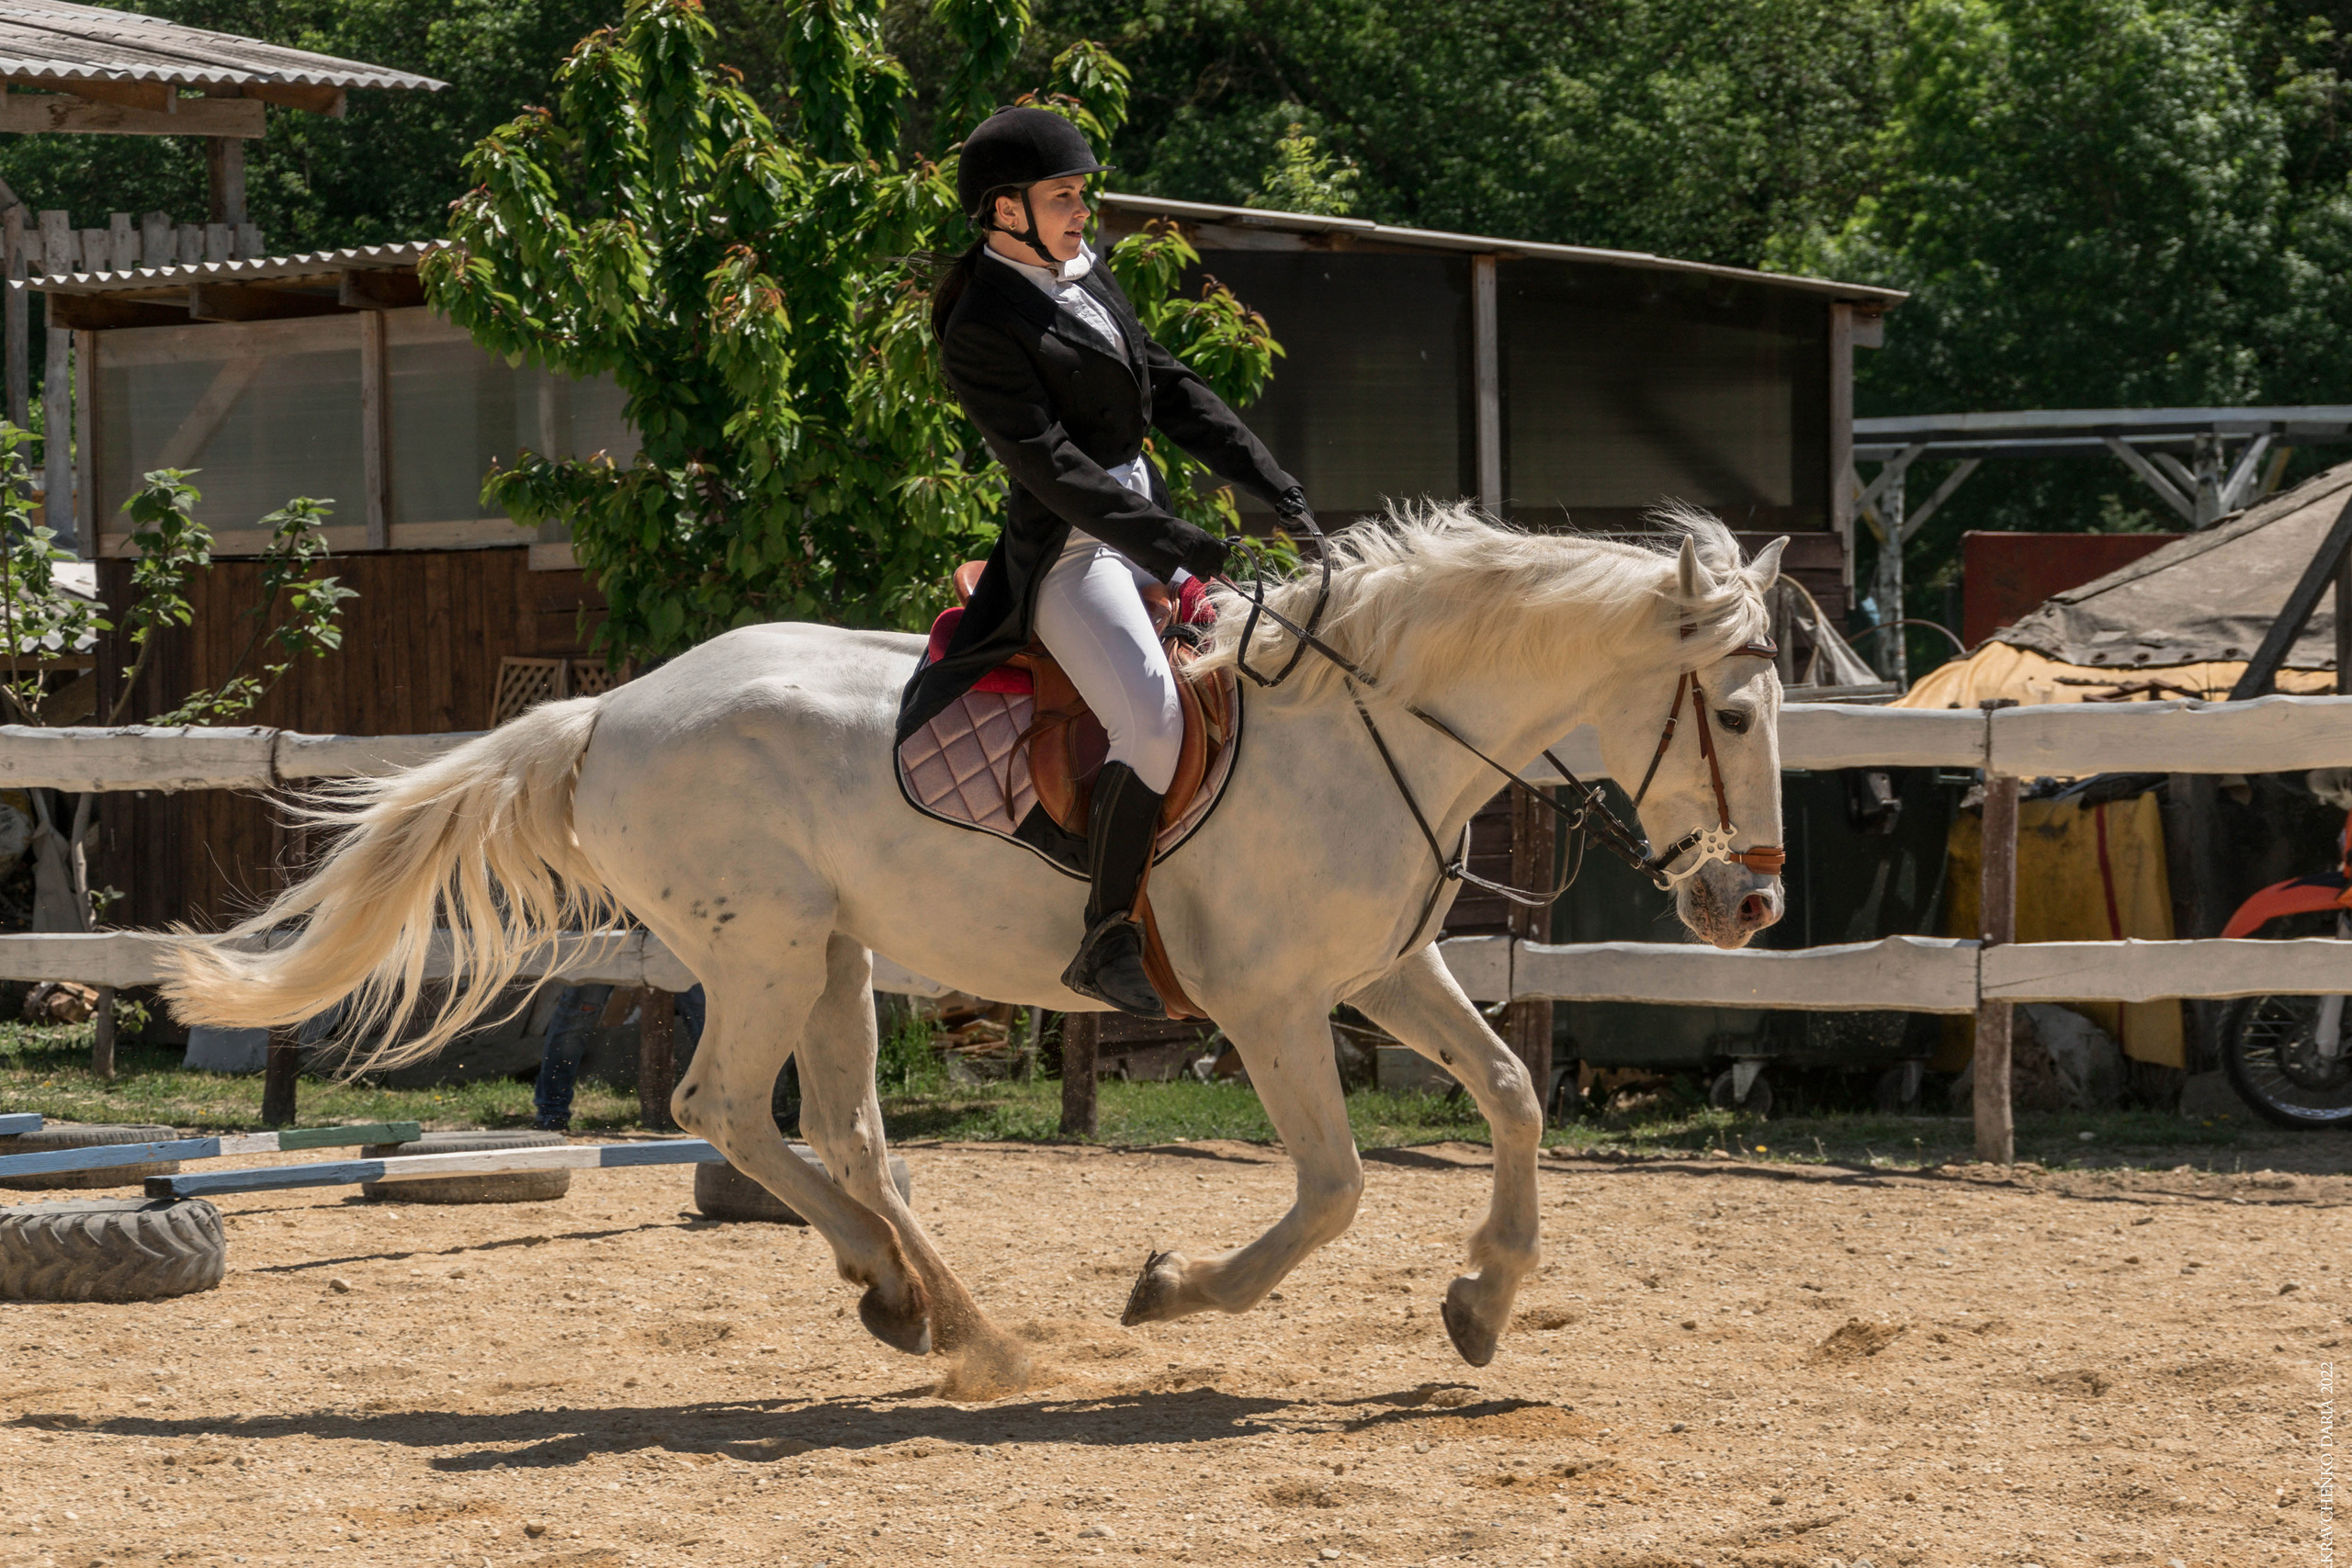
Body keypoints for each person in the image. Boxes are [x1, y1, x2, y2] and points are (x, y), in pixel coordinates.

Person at [899, 106, 1314, 1020]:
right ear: (1005, 209)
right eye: (1063, 196)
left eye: (1082, 193)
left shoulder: (1085, 272)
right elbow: (1052, 468)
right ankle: (1107, 934)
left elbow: (1169, 384)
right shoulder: (979, 324)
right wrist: (1181, 547)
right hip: (1072, 554)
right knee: (1152, 719)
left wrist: (1272, 482)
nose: (1082, 210)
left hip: (1143, 532)